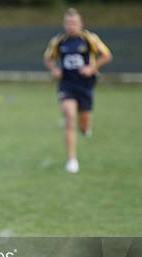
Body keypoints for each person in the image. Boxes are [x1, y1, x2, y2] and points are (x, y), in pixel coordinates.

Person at [43, 8, 112, 174]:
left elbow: (107, 56)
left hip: (85, 85)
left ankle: (86, 128)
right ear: (64, 24)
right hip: (67, 85)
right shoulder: (59, 41)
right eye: (68, 23)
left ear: (80, 24)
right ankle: (72, 160)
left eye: (74, 23)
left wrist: (92, 67)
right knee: (69, 117)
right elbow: (48, 58)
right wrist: (54, 70)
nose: (71, 26)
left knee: (83, 124)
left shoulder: (90, 39)